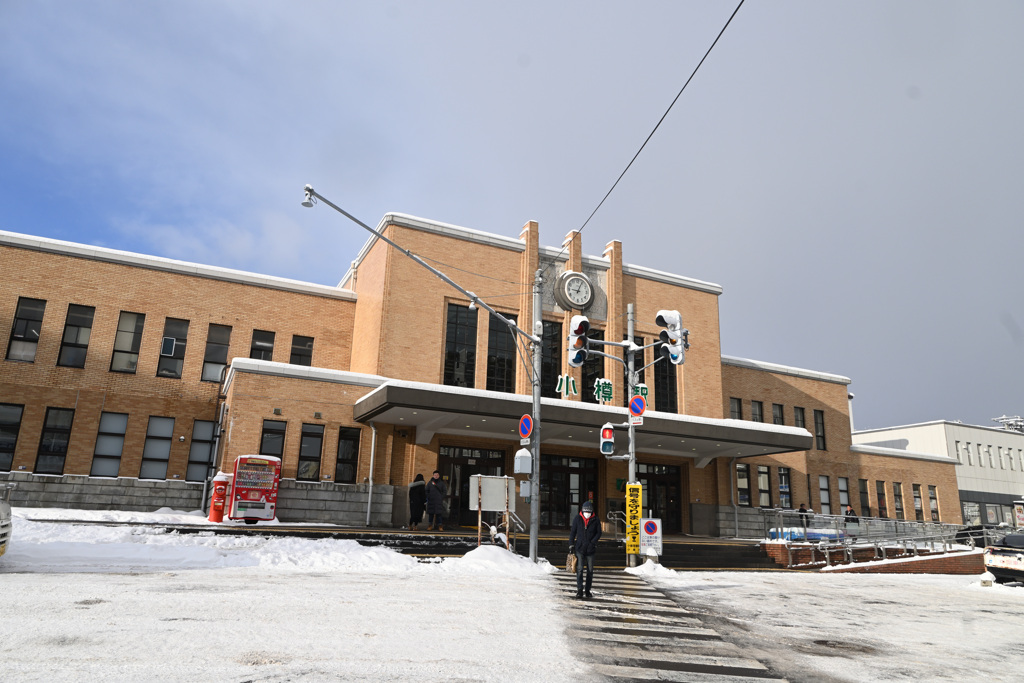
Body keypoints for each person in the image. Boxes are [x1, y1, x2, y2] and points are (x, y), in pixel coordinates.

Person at [569, 500, 602, 599]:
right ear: (582, 511)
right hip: (579, 548)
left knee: (590, 570)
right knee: (579, 569)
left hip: (591, 549)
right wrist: (571, 544)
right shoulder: (577, 519)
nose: (587, 513)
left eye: (589, 511)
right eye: (585, 511)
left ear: (592, 511)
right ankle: (579, 590)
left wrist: (593, 542)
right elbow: (573, 532)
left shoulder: (596, 520)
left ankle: (587, 590)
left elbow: (599, 533)